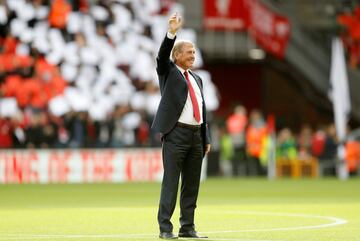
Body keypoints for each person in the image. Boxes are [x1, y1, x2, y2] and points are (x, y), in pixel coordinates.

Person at [151, 13, 211, 240]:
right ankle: (165, 229)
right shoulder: (168, 72)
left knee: (191, 185)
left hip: (196, 136)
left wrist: (206, 137)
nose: (193, 55)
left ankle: (187, 227)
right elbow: (161, 56)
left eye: (194, 52)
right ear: (177, 56)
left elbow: (202, 110)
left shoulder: (198, 79)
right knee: (171, 183)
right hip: (176, 135)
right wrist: (172, 33)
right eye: (189, 52)